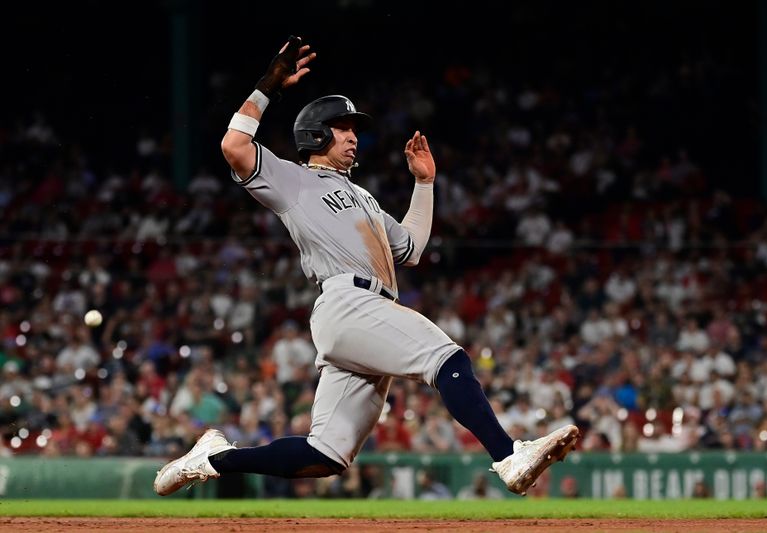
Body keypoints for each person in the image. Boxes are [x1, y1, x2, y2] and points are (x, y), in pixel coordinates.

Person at [153, 35, 578, 497]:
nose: (354, 134)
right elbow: (235, 146)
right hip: (346, 301)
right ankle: (508, 457)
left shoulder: (365, 197)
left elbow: (411, 247)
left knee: (325, 456)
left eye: (354, 127)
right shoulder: (295, 180)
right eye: (341, 126)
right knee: (446, 357)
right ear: (315, 135)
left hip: (365, 311)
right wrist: (266, 87)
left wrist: (424, 185)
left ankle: (213, 459)